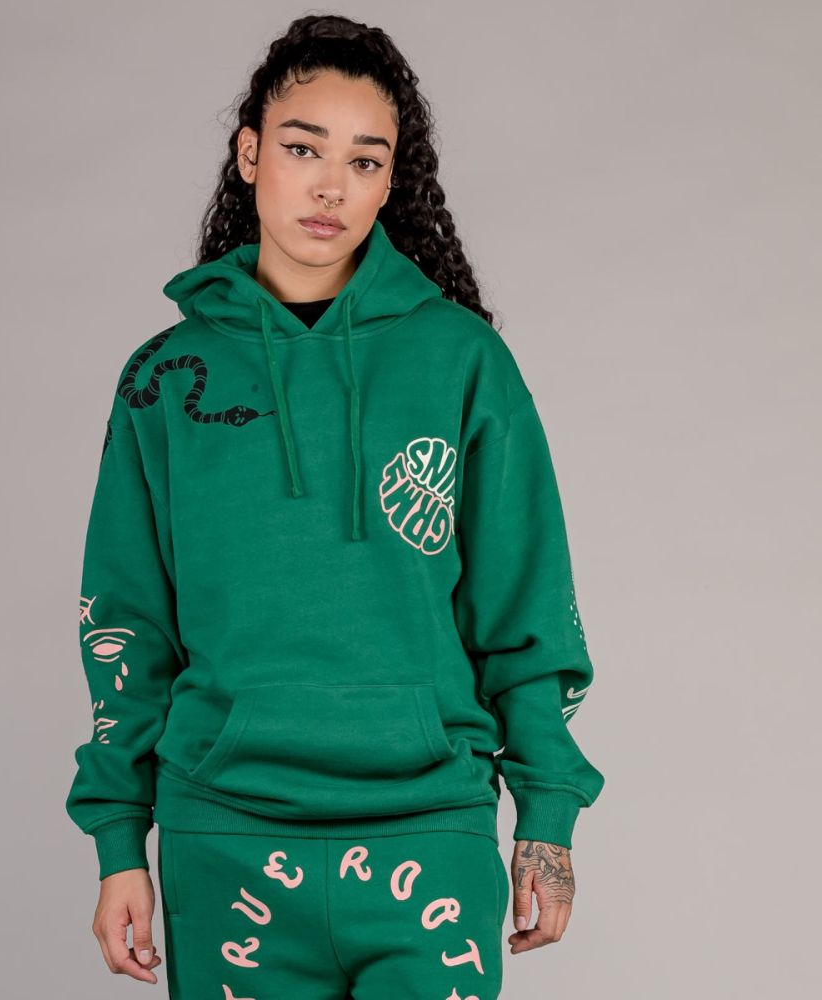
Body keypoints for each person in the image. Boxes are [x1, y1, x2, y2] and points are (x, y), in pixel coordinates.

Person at [65, 13, 604, 998]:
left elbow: (524, 606)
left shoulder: (462, 362)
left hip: (427, 827)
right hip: (224, 834)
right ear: (249, 154)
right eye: (303, 148)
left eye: (365, 161)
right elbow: (127, 623)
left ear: (390, 182)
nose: (330, 187)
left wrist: (548, 817)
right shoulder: (167, 378)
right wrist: (117, 842)